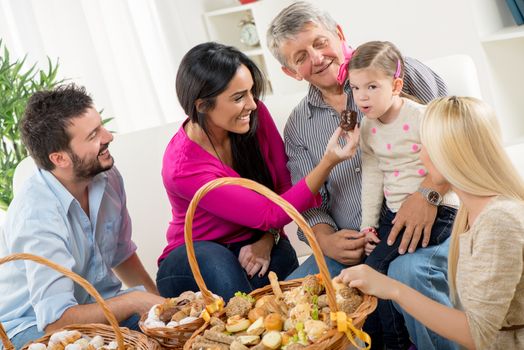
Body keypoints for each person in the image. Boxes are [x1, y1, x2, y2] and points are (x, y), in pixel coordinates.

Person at [267, 2, 457, 349]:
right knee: (285, 301)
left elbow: (459, 136)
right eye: (301, 56)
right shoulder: (297, 126)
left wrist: (429, 194)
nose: (317, 57)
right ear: (291, 72)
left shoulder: (399, 71)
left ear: (339, 35)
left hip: (431, 218)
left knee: (408, 273)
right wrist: (324, 239)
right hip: (352, 243)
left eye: (320, 42)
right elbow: (309, 202)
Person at [156, 42, 360, 302]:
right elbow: (271, 212)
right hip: (193, 258)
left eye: (252, 91)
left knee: (283, 268)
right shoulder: (183, 167)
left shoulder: (253, 117)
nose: (252, 104)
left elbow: (283, 186)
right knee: (222, 268)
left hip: (255, 237)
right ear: (203, 105)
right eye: (239, 97)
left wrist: (268, 238)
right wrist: (328, 162)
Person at [337, 96, 524, 350]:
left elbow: (477, 333)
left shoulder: (499, 222)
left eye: (423, 145)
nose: (420, 156)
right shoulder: (469, 214)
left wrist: (393, 289)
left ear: (449, 153)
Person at [0, 84, 165, 349]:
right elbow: (55, 322)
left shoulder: (107, 176)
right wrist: (134, 301)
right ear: (60, 158)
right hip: (31, 327)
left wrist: (162, 309)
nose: (108, 136)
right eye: (93, 136)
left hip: (97, 309)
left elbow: (122, 254)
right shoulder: (37, 215)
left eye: (100, 126)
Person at [348, 41, 459, 349]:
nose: (362, 96)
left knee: (373, 271)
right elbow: (372, 177)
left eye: (372, 86)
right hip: (393, 214)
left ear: (396, 85)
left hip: (438, 211)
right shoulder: (367, 127)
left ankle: (396, 345)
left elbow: (448, 161)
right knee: (373, 266)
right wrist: (368, 226)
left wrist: (428, 197)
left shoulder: (422, 117)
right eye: (355, 88)